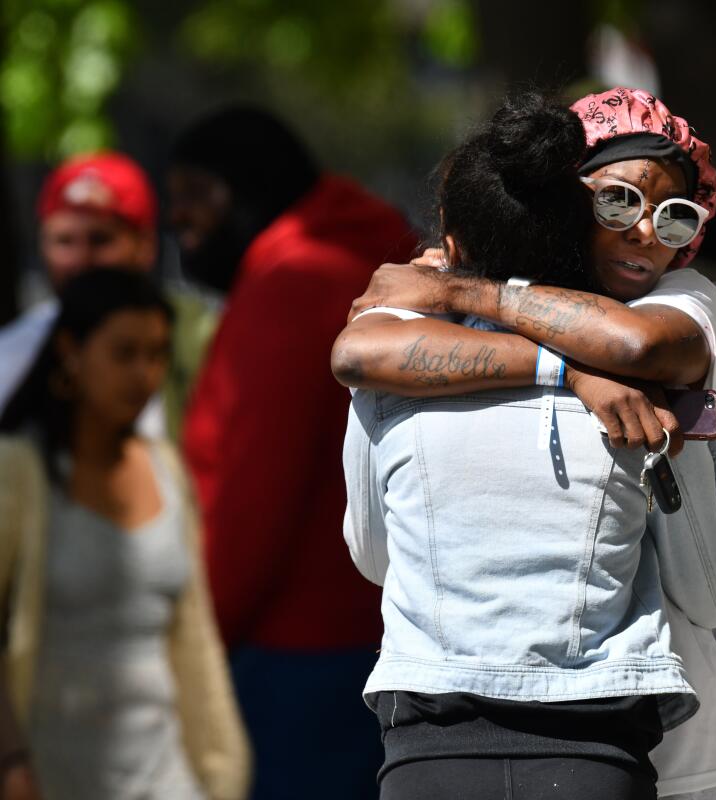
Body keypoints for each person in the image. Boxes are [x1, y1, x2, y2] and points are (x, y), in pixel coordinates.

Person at [337, 89, 716, 800]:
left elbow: (710, 592)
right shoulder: (423, 333)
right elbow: (357, 349)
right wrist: (570, 371)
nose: (646, 233)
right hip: (603, 748)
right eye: (618, 199)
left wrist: (470, 293)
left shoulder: (679, 303)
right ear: (566, 202)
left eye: (677, 216)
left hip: (667, 756)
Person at [166, 106, 420, 799]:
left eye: (195, 195)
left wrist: (197, 647)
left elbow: (250, 501)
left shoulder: (290, 282)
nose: (180, 222)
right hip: (388, 636)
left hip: (299, 658)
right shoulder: (374, 254)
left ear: (244, 186)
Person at [0, 269, 249, 800]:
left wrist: (220, 766)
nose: (144, 374)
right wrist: (11, 758)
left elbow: (194, 633)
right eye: (124, 353)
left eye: (157, 354)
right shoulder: (19, 470)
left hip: (169, 774)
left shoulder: (165, 467)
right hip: (50, 772)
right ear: (70, 350)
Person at [0, 152, 157, 420]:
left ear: (145, 246)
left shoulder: (198, 344)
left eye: (100, 239)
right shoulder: (9, 354)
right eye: (64, 241)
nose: (80, 260)